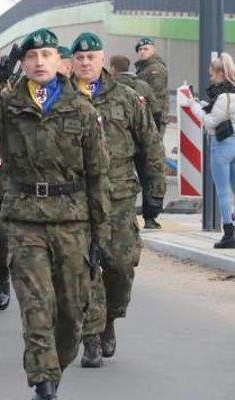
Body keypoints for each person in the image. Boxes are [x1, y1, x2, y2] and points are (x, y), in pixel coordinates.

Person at [0, 28, 110, 399]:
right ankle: (43, 379)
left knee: (71, 314)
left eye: (47, 55)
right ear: (23, 63)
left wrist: (101, 234)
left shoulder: (82, 110)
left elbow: (98, 175)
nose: (40, 63)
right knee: (37, 305)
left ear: (61, 61)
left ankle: (55, 364)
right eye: (32, 57)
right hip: (24, 220)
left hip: (72, 220)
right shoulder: (8, 106)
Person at [69, 33, 166, 369]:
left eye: (91, 57)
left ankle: (109, 319)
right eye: (79, 58)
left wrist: (156, 191)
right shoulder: (60, 99)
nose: (85, 63)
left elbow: (151, 144)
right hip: (76, 199)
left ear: (102, 59)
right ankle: (92, 336)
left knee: (119, 267)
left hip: (119, 196)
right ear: (71, 62)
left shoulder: (127, 98)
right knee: (84, 268)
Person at [184, 53, 235, 248]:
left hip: (222, 146)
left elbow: (211, 122)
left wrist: (191, 105)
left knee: (223, 192)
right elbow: (217, 112)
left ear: (221, 73)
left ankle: (229, 233)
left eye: (212, 74)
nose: (211, 78)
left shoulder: (223, 97)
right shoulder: (230, 94)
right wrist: (201, 105)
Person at [135, 37, 170, 229]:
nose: (142, 52)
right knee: (147, 167)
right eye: (140, 49)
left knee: (150, 167)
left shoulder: (154, 70)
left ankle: (151, 213)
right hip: (146, 123)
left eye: (146, 48)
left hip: (152, 124)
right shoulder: (143, 70)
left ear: (154, 50)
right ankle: (150, 214)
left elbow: (152, 100)